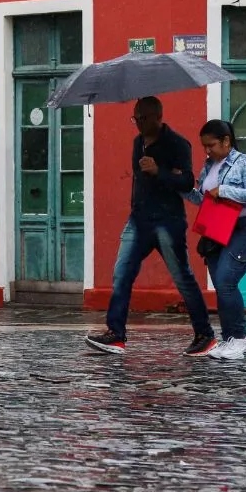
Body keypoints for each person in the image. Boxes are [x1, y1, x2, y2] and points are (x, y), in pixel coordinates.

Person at [86, 97, 216, 357]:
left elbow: (188, 181)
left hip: (168, 222)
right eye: (135, 119)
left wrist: (160, 171)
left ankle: (205, 335)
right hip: (139, 220)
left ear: (158, 116)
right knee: (122, 273)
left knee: (183, 279)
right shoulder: (138, 143)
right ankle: (116, 335)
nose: (139, 124)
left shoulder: (178, 144)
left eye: (143, 119)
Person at [183, 119, 246, 361]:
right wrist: (184, 187)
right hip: (218, 229)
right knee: (221, 284)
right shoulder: (209, 167)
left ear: (226, 141)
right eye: (204, 146)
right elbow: (203, 199)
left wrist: (225, 190)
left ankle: (238, 338)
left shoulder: (245, 162)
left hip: (245, 229)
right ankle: (233, 338)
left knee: (226, 280)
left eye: (211, 145)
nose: (207, 151)